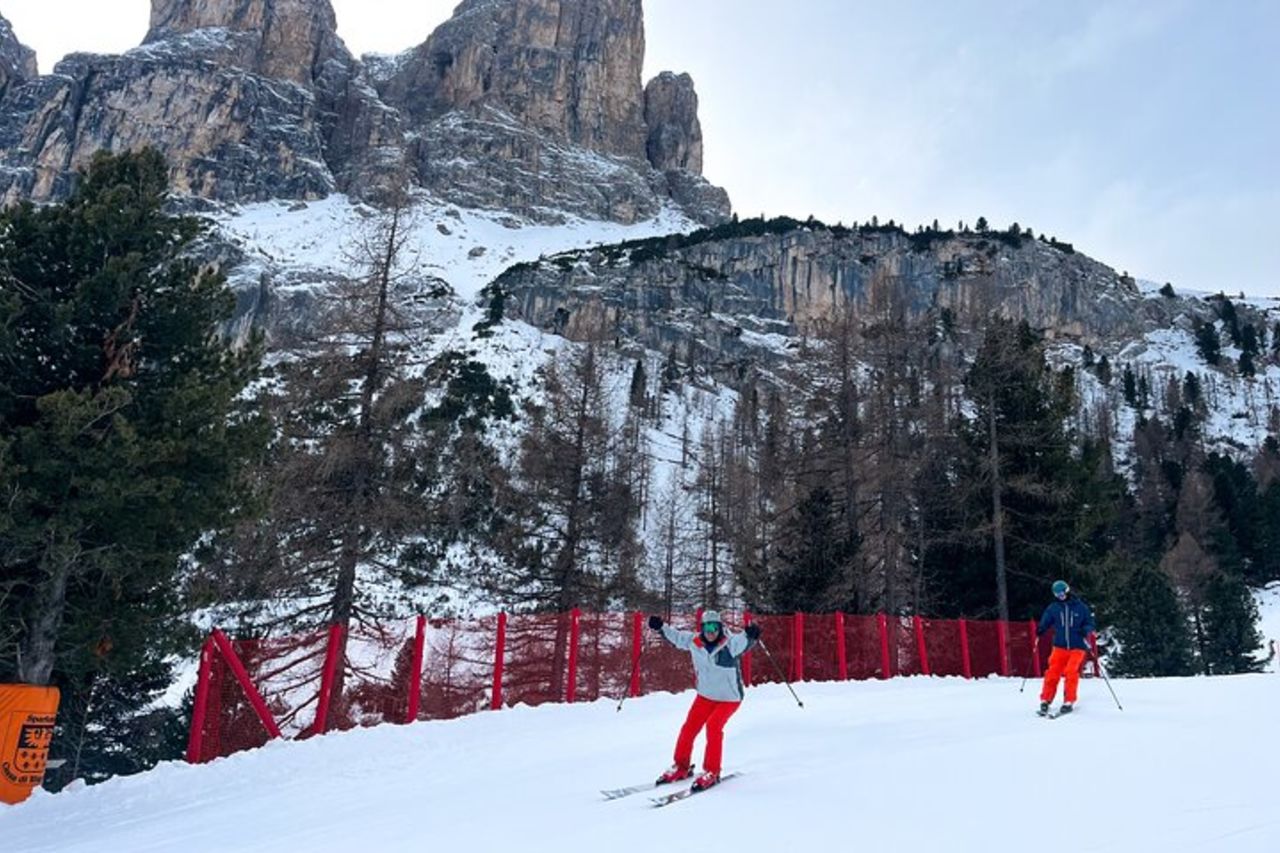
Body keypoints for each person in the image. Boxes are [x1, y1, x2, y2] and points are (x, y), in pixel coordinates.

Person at [647, 610, 762, 791]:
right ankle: (681, 766)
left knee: (714, 726)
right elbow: (676, 637)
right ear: (702, 629)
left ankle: (712, 771)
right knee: (689, 728)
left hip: (729, 698)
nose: (711, 632)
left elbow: (745, 641)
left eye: (714, 627)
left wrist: (751, 635)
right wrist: (661, 627)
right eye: (707, 627)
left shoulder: (730, 644)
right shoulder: (695, 642)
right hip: (705, 695)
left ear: (720, 627)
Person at [1036, 580, 1096, 716]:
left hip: (1077, 646)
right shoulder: (1054, 608)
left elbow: (1090, 623)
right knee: (1052, 672)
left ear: (1067, 591)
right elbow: (1046, 620)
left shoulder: (1080, 607)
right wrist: (1041, 629)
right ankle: (1046, 699)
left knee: (1071, 672)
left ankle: (1069, 700)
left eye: (1062, 594)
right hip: (1060, 646)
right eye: (1057, 595)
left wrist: (1085, 629)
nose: (1060, 597)